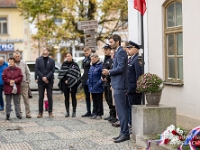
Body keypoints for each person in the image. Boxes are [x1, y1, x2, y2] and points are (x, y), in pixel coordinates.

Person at [102, 34, 129, 143]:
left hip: (120, 85)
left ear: (117, 41)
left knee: (122, 111)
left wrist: (109, 72)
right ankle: (122, 133)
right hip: (117, 84)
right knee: (120, 110)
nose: (110, 44)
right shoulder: (117, 52)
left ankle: (125, 133)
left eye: (112, 42)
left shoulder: (121, 52)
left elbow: (121, 68)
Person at [58, 52, 81, 117]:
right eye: (67, 56)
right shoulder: (64, 64)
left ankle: (74, 111)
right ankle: (67, 111)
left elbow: (77, 73)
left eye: (69, 56)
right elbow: (61, 73)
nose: (68, 57)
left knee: (73, 97)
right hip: (65, 83)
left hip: (73, 83)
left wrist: (73, 80)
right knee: (66, 97)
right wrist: (65, 80)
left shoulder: (75, 64)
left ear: (72, 56)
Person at [35, 47, 55, 118]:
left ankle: (50, 112)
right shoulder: (38, 60)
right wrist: (42, 77)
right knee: (41, 97)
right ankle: (40, 112)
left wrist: (47, 77)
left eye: (45, 50)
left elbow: (52, 70)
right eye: (43, 50)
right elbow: (37, 70)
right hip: (41, 81)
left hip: (49, 81)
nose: (44, 51)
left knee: (50, 96)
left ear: (48, 52)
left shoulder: (52, 60)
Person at [126, 41, 143, 126]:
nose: (128, 49)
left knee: (135, 108)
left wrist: (138, 87)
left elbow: (139, 74)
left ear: (135, 49)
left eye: (130, 48)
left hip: (134, 89)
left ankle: (136, 126)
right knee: (131, 108)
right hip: (130, 88)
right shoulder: (131, 59)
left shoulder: (137, 59)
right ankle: (131, 124)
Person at [13, 52, 32, 118]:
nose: (17, 57)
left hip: (24, 84)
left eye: (18, 56)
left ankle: (28, 113)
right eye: (16, 56)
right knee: (17, 100)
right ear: (14, 57)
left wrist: (28, 81)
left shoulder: (23, 63)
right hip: (16, 85)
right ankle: (19, 113)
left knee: (26, 99)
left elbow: (28, 72)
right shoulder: (12, 63)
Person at [102, 44, 117, 123]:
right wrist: (102, 76)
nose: (105, 51)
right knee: (107, 99)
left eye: (107, 49)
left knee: (111, 99)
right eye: (104, 49)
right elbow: (103, 68)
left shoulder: (111, 59)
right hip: (105, 82)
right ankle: (111, 114)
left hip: (109, 81)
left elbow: (111, 69)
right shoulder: (106, 58)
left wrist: (106, 78)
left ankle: (113, 115)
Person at [87, 53, 104, 119]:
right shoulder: (92, 66)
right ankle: (95, 113)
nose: (92, 60)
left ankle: (99, 114)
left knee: (99, 101)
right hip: (92, 86)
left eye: (93, 59)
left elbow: (102, 76)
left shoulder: (100, 65)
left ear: (97, 58)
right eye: (91, 59)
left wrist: (98, 83)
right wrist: (88, 82)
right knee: (94, 101)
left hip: (98, 86)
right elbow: (90, 75)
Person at [81, 47, 93, 117]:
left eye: (87, 53)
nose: (86, 54)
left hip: (91, 79)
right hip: (85, 79)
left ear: (90, 51)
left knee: (94, 96)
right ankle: (88, 111)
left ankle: (95, 111)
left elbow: (88, 64)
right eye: (85, 53)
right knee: (87, 97)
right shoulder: (84, 60)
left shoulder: (92, 58)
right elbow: (84, 68)